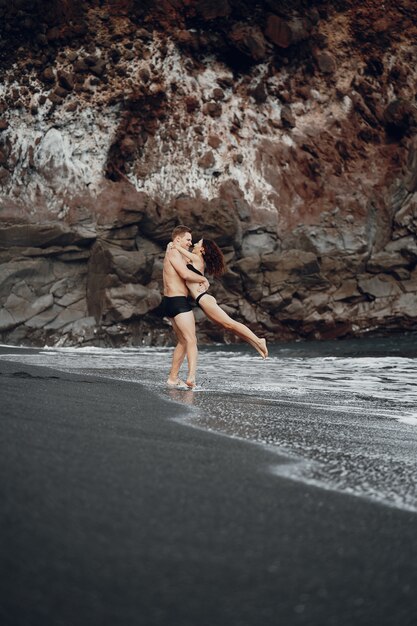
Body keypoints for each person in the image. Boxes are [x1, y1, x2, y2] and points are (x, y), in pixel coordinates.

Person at [170, 238, 268, 359]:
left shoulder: (197, 258)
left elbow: (178, 249)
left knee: (230, 323)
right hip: (202, 300)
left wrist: (175, 244)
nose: (194, 244)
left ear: (202, 249)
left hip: (204, 299)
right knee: (227, 326)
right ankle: (256, 345)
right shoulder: (194, 260)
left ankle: (259, 340)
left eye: (197, 243)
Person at [162, 225, 210, 389]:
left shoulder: (173, 251)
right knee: (191, 340)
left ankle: (173, 378)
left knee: (183, 341)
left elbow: (190, 263)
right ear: (178, 239)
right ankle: (191, 378)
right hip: (178, 302)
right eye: (188, 239)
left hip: (170, 302)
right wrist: (203, 280)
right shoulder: (174, 252)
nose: (190, 242)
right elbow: (184, 274)